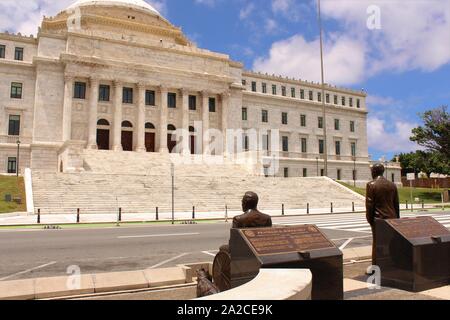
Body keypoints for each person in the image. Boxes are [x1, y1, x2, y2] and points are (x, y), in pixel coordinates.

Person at [212, 192, 272, 292]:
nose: (242, 204)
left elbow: (234, 243)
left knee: (223, 248)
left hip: (243, 253)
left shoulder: (238, 219)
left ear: (245, 204)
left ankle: (228, 276)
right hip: (261, 250)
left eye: (242, 202)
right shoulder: (267, 218)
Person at [366, 163, 400, 265]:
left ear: (374, 172)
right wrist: (397, 219)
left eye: (372, 171)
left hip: (378, 218)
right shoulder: (392, 185)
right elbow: (396, 204)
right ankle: (392, 264)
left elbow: (369, 205)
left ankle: (376, 266)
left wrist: (370, 220)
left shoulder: (371, 185)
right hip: (392, 217)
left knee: (377, 244)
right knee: (390, 243)